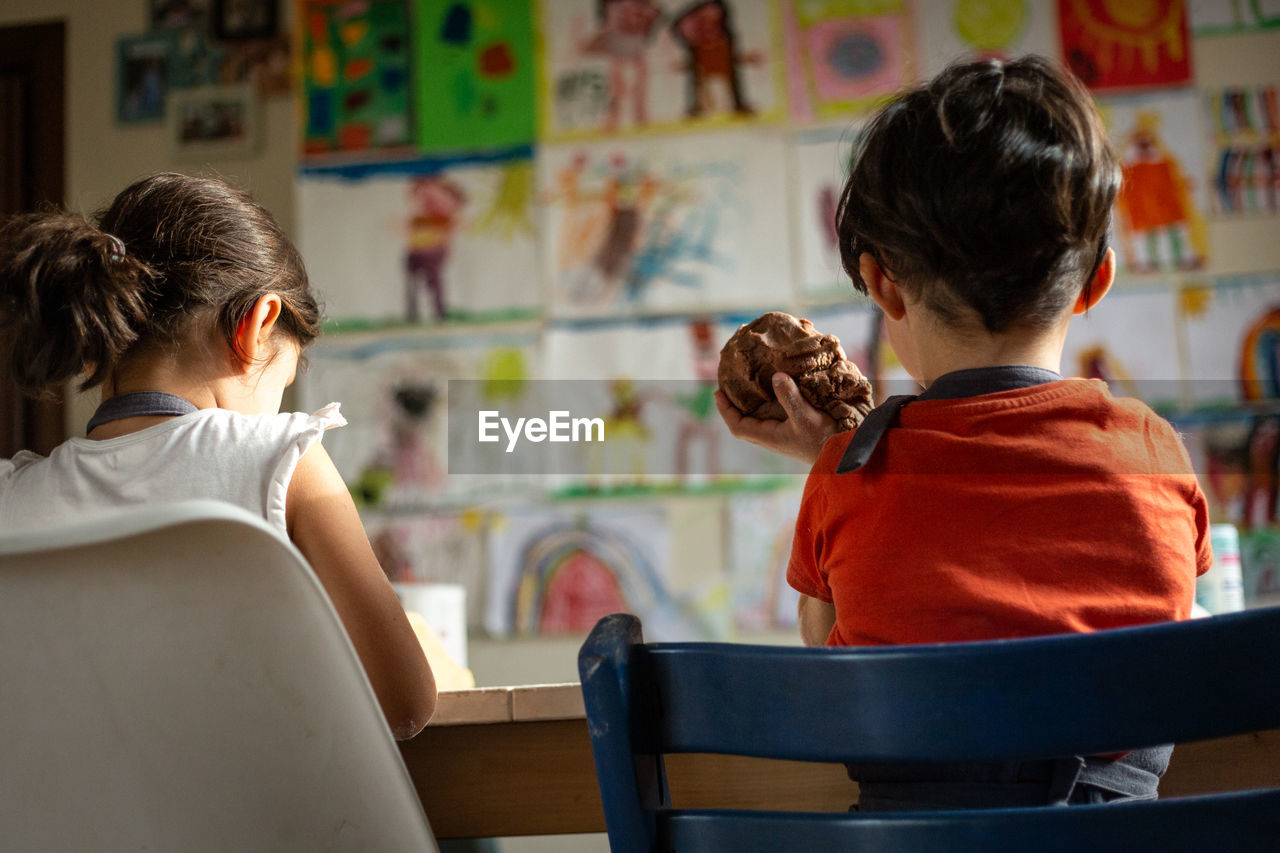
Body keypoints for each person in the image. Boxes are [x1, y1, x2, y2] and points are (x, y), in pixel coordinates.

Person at [716, 57, 1212, 809]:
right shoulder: (1155, 453)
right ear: (1095, 283)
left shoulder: (848, 472)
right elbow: (1170, 609)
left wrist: (838, 460)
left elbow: (833, 658)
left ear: (883, 283)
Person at [0, 172, 436, 739]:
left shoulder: (11, 498)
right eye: (281, 380)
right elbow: (405, 703)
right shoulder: (282, 459)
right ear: (255, 328)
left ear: (89, 349)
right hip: (258, 827)